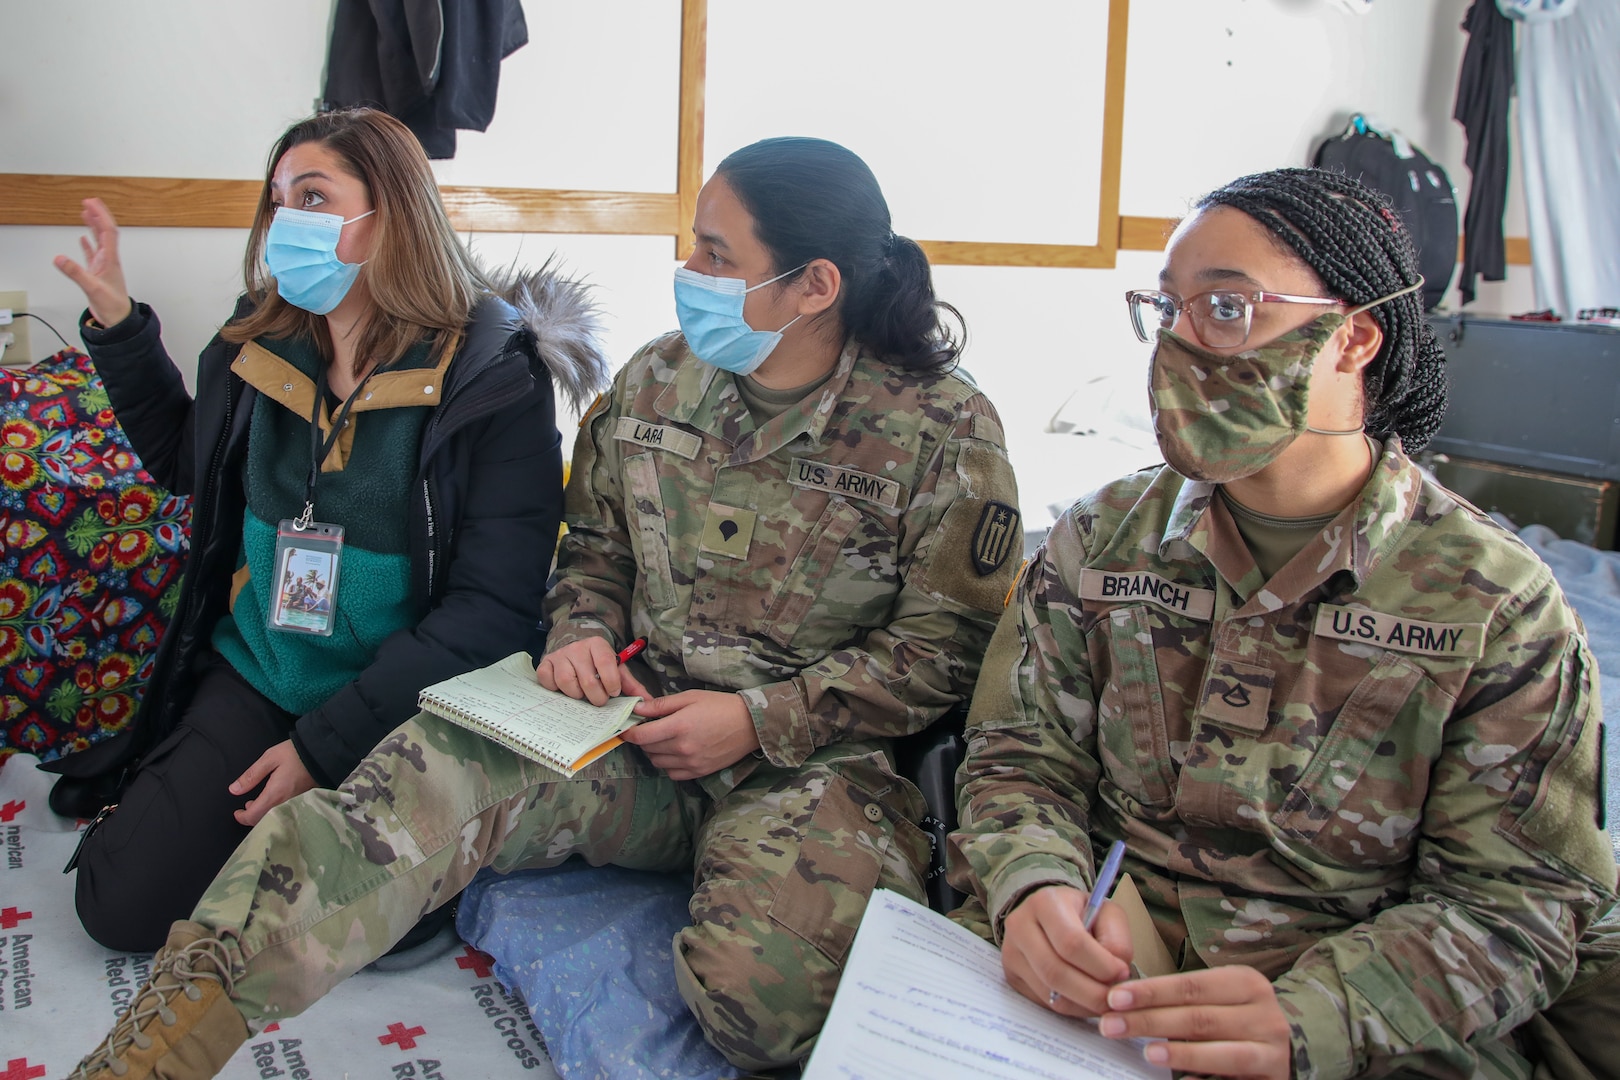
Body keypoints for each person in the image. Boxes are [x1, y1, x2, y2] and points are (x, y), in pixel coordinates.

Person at [65, 135, 1022, 1080]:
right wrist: (583, 633)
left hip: (811, 764)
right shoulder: (656, 380)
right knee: (406, 784)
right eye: (693, 241)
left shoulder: (942, 428)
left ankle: (739, 872)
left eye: (717, 255)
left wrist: (758, 719)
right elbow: (594, 545)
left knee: (756, 1008)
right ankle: (160, 1043)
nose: (688, 270)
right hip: (625, 716)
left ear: (816, 285)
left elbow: (952, 648)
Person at [949, 167, 1617, 1079]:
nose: (1182, 342)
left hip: (1353, 997)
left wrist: (1318, 1017)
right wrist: (1032, 885)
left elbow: (1518, 905)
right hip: (1100, 967)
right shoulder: (1102, 540)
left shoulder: (1494, 605)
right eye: (1168, 307)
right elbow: (1019, 755)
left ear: (1352, 339)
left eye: (1227, 307)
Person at [48, 108, 604, 954]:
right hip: (264, 675)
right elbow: (190, 468)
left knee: (351, 928)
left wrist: (320, 748)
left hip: (404, 710)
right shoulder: (258, 343)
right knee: (119, 904)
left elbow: (491, 611)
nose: (285, 225)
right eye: (277, 203)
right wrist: (122, 330)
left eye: (313, 196)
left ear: (392, 214)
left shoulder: (492, 378)